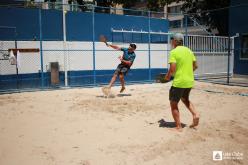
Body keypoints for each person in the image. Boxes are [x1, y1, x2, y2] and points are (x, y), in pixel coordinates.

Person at [165, 33, 199, 131]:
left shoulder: (174, 52)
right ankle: (195, 114)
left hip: (179, 82)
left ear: (175, 41)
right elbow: (196, 66)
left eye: (172, 40)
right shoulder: (189, 51)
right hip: (189, 81)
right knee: (185, 99)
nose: (171, 42)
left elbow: (172, 70)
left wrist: (167, 77)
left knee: (173, 104)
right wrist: (188, 73)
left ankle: (179, 127)